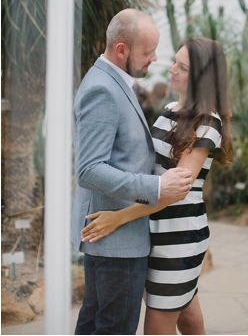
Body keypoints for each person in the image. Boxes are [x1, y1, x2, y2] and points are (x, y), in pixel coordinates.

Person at [81, 37, 234, 335]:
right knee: (187, 314)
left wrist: (117, 218)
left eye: (183, 67)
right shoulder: (169, 109)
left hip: (178, 238)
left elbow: (173, 191)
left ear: (202, 77)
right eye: (175, 61)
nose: (172, 69)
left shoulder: (208, 122)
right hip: (154, 230)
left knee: (157, 327)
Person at [71, 9, 193, 335]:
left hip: (108, 237)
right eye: (148, 52)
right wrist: (155, 187)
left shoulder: (114, 81)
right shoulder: (104, 90)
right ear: (121, 50)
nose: (155, 58)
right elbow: (89, 170)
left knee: (95, 323)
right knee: (115, 328)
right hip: (116, 245)